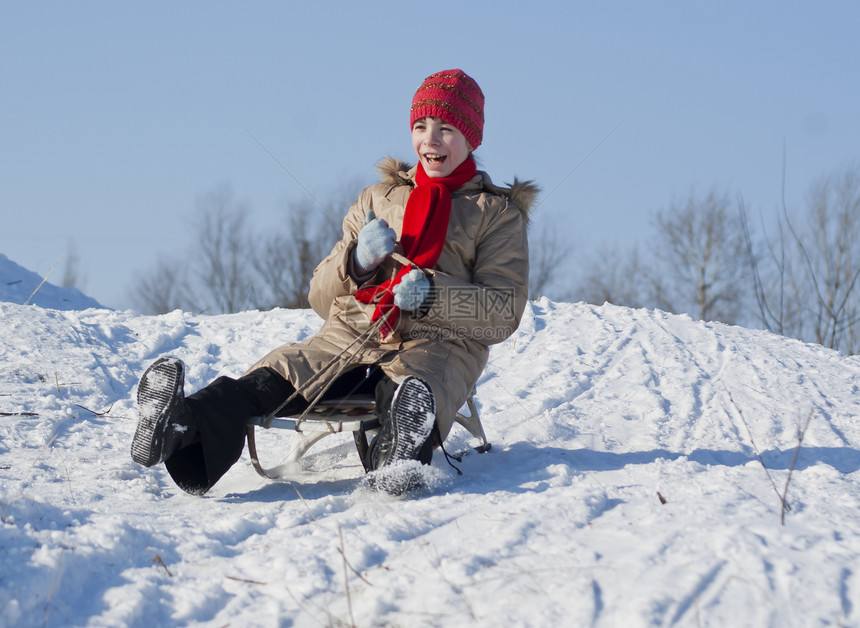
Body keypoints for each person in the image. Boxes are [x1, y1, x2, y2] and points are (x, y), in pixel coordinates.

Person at [131, 69, 537, 495]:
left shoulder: (495, 214)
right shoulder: (377, 198)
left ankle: (397, 458)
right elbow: (320, 297)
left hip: (436, 344)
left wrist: (433, 294)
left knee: (410, 392)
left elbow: (502, 313)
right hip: (352, 336)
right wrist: (357, 261)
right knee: (272, 378)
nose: (430, 140)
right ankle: (181, 425)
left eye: (446, 129)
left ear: (472, 137)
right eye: (421, 127)